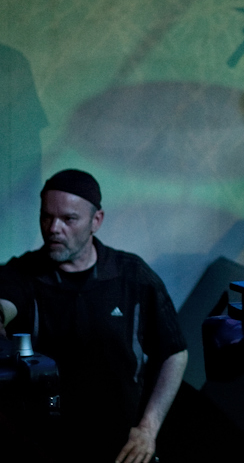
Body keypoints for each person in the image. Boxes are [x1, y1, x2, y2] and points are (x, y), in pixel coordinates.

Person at [0, 169, 188, 463]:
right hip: (45, 445)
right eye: (47, 217)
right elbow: (5, 300)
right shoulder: (23, 273)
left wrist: (148, 429)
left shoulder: (132, 276)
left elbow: (174, 352)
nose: (53, 228)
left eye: (68, 219)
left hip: (120, 447)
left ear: (96, 221)